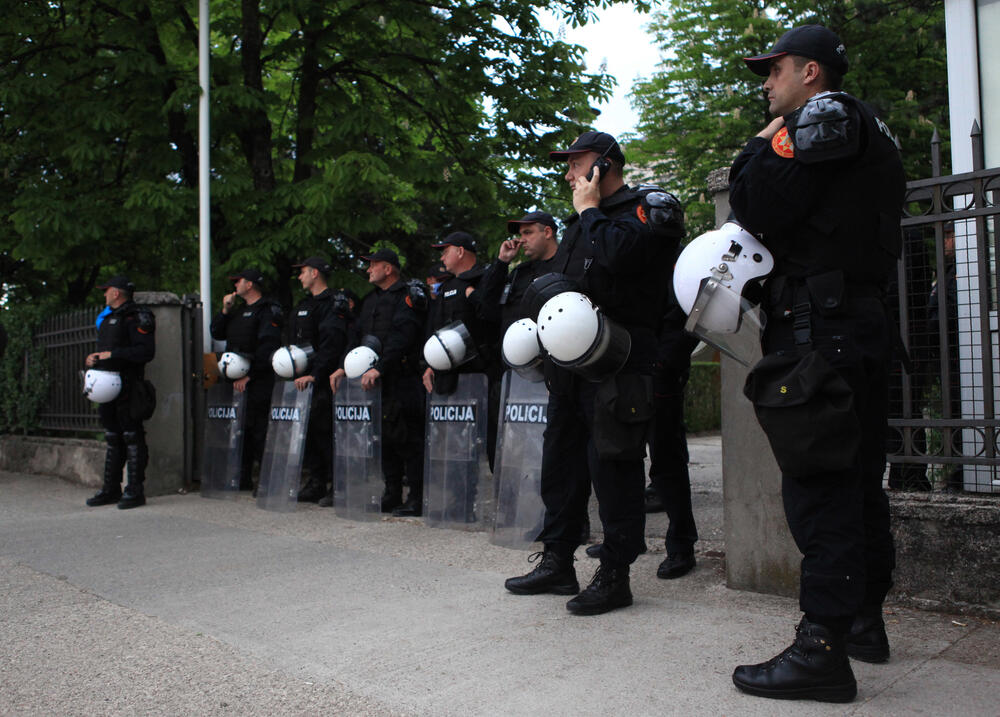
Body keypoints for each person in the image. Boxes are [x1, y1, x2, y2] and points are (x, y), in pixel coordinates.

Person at [728, 25, 904, 702]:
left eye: (773, 72)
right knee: (857, 484)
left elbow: (757, 202)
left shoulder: (824, 118)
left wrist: (757, 146)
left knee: (822, 486)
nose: (765, 84)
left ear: (810, 73)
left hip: (821, 334)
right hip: (853, 327)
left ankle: (823, 646)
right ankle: (862, 620)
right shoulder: (869, 131)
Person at [503, 131, 683, 615]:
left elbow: (622, 257)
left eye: (575, 164)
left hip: (619, 365)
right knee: (560, 467)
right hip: (570, 368)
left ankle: (615, 574)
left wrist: (589, 210)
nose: (567, 174)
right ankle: (557, 560)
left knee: (614, 469)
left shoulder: (642, 209)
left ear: (602, 166)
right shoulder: (582, 223)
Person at [330, 249, 426, 515]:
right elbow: (357, 336)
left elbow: (402, 335)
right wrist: (342, 367)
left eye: (373, 265)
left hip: (401, 377)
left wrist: (380, 368)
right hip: (374, 382)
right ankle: (392, 493)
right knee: (384, 439)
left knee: (409, 439)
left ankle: (417, 497)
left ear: (389, 269)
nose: (368, 270)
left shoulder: (406, 296)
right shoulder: (369, 301)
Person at [85, 276, 156, 509]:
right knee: (113, 436)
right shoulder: (107, 318)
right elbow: (105, 351)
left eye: (106, 291)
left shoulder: (137, 316)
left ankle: (135, 491)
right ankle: (110, 489)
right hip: (106, 385)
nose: (104, 295)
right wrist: (94, 359)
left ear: (116, 293)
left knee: (132, 435)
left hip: (129, 384)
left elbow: (145, 352)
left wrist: (113, 355)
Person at [209, 268, 283, 491]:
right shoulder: (238, 311)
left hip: (257, 379)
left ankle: (265, 481)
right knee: (239, 429)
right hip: (234, 378)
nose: (235, 285)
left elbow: (268, 346)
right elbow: (217, 333)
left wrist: (250, 375)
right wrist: (225, 310)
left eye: (238, 281)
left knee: (259, 430)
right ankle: (241, 478)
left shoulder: (267, 310)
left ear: (250, 284)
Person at [288, 256, 346, 503]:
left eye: (302, 272)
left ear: (315, 273)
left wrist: (316, 374)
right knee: (308, 432)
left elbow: (331, 342)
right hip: (302, 379)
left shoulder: (331, 303)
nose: (299, 277)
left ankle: (337, 485)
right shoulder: (304, 304)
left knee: (326, 433)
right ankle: (316, 481)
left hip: (322, 380)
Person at [478, 211, 561, 335]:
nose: (521, 240)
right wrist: (502, 261)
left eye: (528, 233)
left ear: (547, 232)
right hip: (510, 349)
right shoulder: (520, 272)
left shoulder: (567, 265)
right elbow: (487, 305)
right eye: (520, 234)